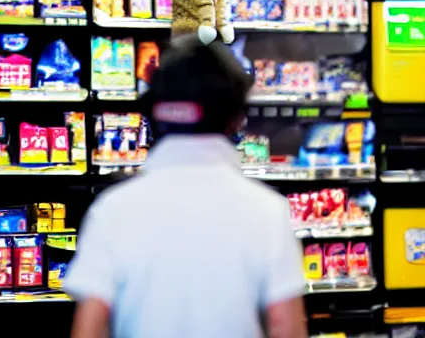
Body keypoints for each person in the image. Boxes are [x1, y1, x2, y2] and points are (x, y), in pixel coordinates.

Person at [65, 34, 307, 338]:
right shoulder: (268, 212)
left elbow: (88, 330)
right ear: (235, 119)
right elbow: (286, 328)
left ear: (154, 111)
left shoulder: (113, 210)